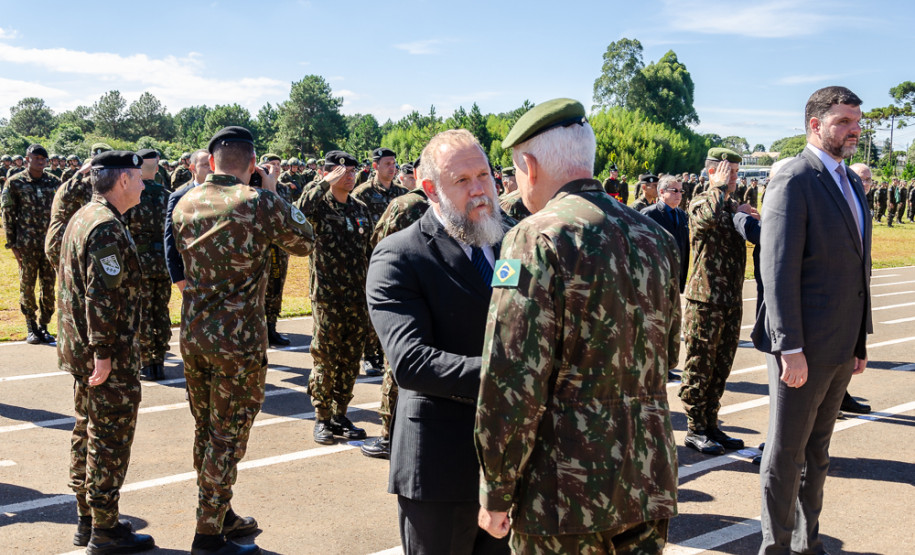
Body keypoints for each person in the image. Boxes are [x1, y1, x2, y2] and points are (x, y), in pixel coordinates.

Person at [475, 98, 679, 554]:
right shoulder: (656, 238)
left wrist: (496, 488)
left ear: (528, 165)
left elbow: (511, 378)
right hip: (646, 477)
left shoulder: (535, 236)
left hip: (565, 493)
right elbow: (669, 350)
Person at [366, 129, 512, 555]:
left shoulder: (515, 243)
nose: (480, 190)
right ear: (430, 189)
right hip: (442, 467)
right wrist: (514, 375)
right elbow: (411, 362)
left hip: (514, 462)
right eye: (462, 181)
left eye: (483, 175)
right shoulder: (401, 255)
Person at [172, 126, 315, 555]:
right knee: (227, 437)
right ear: (251, 165)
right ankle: (207, 534)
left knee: (207, 429)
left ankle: (220, 512)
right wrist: (271, 191)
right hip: (238, 341)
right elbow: (304, 241)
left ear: (211, 162)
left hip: (195, 334)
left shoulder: (185, 202)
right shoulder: (257, 203)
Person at [752, 86, 872, 555]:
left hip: (841, 345)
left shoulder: (853, 182)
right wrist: (789, 347)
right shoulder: (794, 177)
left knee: (819, 453)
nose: (854, 130)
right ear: (815, 124)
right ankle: (775, 546)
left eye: (856, 121)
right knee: (785, 454)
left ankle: (807, 542)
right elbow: (776, 268)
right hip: (803, 349)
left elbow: (858, 268)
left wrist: (859, 342)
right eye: (843, 121)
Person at [57, 150, 155, 554]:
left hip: (80, 349)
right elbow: (101, 295)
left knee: (87, 431)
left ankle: (87, 518)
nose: (145, 183)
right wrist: (104, 352)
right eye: (139, 177)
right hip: (103, 354)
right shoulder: (105, 227)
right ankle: (106, 530)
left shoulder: (84, 216)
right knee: (109, 439)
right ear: (122, 181)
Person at [295, 150, 374, 444]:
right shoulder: (318, 205)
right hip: (327, 296)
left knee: (350, 358)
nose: (350, 176)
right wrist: (324, 183)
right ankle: (322, 417)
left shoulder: (360, 208)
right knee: (325, 358)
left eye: (353, 171)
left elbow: (370, 250)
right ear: (328, 173)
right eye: (343, 172)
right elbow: (296, 213)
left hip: (356, 296)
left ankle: (340, 413)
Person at [679, 147, 749, 456]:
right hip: (705, 301)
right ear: (712, 172)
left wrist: (747, 215)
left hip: (731, 300)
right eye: (728, 171)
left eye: (735, 172)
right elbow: (705, 219)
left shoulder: (732, 205)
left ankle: (711, 423)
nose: (734, 177)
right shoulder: (701, 201)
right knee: (700, 365)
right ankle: (695, 428)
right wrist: (717, 189)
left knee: (721, 366)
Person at [361, 159, 429, 461]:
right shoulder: (467, 203)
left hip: (408, 293)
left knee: (397, 363)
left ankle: (390, 436)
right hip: (444, 298)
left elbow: (379, 242)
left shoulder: (405, 204)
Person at [353, 147, 410, 376]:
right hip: (370, 259)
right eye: (387, 163)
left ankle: (388, 352)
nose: (392, 167)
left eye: (394, 163)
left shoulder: (402, 193)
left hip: (398, 260)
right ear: (375, 166)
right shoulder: (362, 193)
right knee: (371, 308)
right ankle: (370, 356)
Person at [1, 144, 60, 344]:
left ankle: (44, 325)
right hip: (26, 245)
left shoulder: (54, 182)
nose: (41, 161)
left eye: (44, 158)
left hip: (49, 245)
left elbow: (62, 212)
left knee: (49, 287)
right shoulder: (15, 183)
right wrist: (12, 244)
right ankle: (30, 326)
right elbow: (8, 215)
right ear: (28, 159)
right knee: (27, 287)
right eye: (37, 158)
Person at [126, 149, 172, 381]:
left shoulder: (132, 195)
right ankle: (159, 360)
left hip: (140, 265)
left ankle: (146, 361)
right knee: (161, 311)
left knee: (142, 312)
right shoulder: (168, 196)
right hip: (164, 264)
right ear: (157, 169)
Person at [164, 149, 211, 293]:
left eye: (212, 164)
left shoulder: (225, 194)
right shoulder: (179, 196)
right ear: (192, 168)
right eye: (204, 165)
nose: (210, 169)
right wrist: (178, 279)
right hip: (192, 274)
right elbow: (170, 238)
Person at [261, 154, 294, 346]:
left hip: (279, 246)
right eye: (271, 165)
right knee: (259, 287)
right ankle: (258, 328)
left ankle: (271, 327)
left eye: (278, 165)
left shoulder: (283, 189)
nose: (276, 168)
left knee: (276, 286)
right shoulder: (253, 187)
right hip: (260, 246)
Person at [641, 175, 689, 293]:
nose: (679, 194)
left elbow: (685, 246)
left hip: (676, 278)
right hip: (656, 279)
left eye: (681, 191)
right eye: (674, 191)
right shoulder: (650, 214)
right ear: (661, 192)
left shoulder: (682, 215)